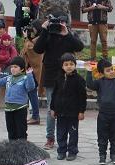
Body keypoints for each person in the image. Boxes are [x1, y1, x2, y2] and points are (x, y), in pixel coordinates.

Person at [33, 11, 84, 150]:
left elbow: (80, 46)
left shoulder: (68, 34)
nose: (58, 26)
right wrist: (44, 30)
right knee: (51, 107)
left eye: (60, 22)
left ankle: (68, 138)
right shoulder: (48, 33)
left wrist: (66, 33)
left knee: (69, 105)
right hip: (51, 75)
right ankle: (50, 138)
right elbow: (37, 49)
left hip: (68, 76)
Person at [86, 58, 115, 165]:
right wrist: (89, 71)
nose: (111, 72)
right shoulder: (99, 83)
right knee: (102, 136)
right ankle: (102, 155)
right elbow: (89, 84)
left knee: (114, 136)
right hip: (102, 115)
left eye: (112, 69)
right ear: (102, 73)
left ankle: (113, 155)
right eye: (108, 70)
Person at [49, 53, 86, 161]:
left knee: (73, 133)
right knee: (61, 132)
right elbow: (54, 94)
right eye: (66, 64)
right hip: (60, 112)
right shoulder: (58, 78)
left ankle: (72, 151)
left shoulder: (79, 80)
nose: (69, 66)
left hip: (73, 113)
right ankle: (61, 151)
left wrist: (81, 111)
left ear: (75, 65)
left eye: (71, 64)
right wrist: (53, 108)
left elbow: (82, 96)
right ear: (62, 66)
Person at [0, 56, 36, 140]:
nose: (13, 69)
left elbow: (30, 87)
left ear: (22, 69)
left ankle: (22, 148)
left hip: (20, 108)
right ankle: (12, 148)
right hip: (8, 109)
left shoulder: (25, 78)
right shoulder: (8, 78)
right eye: (11, 67)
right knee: (11, 130)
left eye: (15, 67)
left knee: (21, 130)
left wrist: (30, 75)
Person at [21, 20, 44, 125]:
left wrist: (26, 38)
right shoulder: (35, 39)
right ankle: (34, 115)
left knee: (32, 93)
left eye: (33, 27)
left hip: (35, 71)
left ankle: (35, 116)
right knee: (31, 93)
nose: (31, 30)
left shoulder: (40, 39)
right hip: (31, 70)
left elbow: (30, 49)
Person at [0, 33, 18, 110]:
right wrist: (7, 57)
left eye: (8, 40)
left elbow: (14, 58)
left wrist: (3, 59)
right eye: (5, 40)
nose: (7, 41)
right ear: (2, 40)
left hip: (9, 69)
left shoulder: (12, 48)